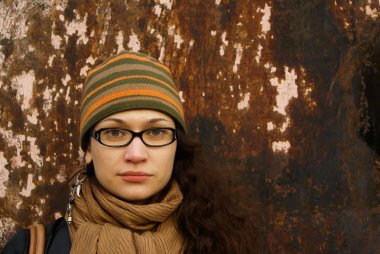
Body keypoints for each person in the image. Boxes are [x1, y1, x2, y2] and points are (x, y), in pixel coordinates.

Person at [1, 51, 259, 253]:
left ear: (176, 145)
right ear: (89, 148)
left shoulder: (223, 242)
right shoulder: (31, 248)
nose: (136, 153)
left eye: (156, 132)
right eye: (115, 133)